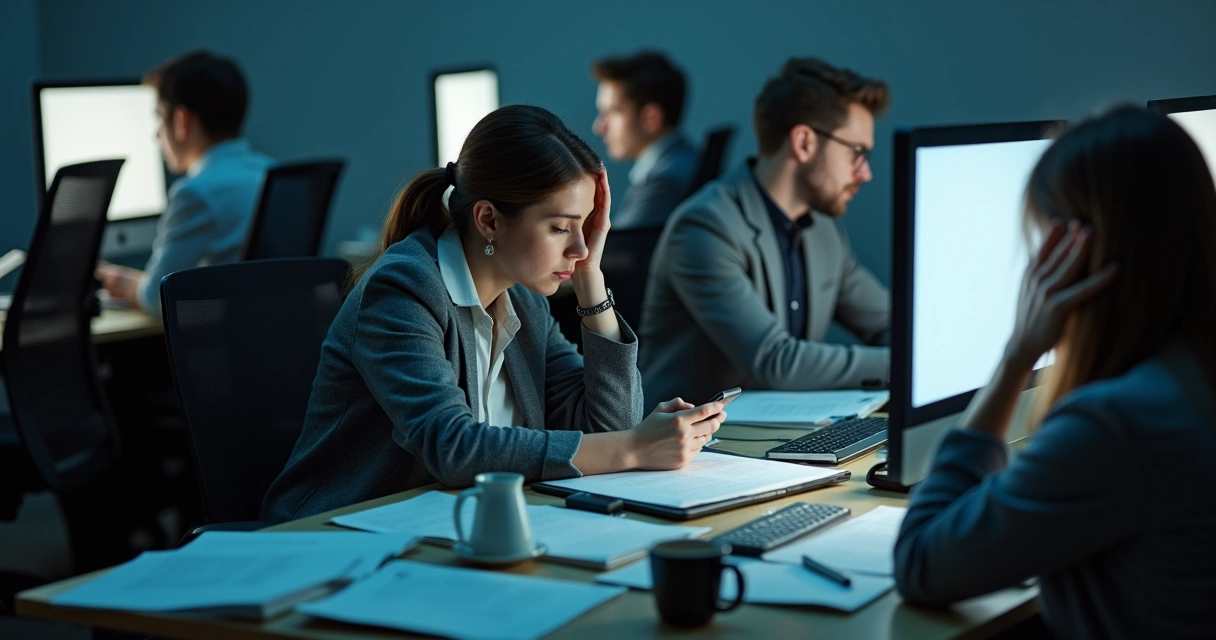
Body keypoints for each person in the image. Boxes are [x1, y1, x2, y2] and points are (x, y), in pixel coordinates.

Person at [263, 105, 725, 522]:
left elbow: (612, 425)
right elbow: (455, 448)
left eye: (586, 227)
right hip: (335, 537)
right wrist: (633, 448)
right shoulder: (402, 290)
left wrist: (591, 280)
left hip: (447, 529)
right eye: (560, 227)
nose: (580, 247)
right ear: (488, 220)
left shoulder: (523, 298)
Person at [894, 106, 1216, 639]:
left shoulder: (1116, 425)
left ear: (1075, 255)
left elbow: (922, 563)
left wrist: (1017, 355)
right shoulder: (1186, 379)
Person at [639, 57, 891, 407]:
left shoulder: (824, 231)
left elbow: (886, 322)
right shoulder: (704, 226)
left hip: (775, 440)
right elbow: (777, 362)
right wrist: (906, 364)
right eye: (857, 153)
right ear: (804, 143)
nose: (865, 173)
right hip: (687, 449)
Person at [96, 50, 273, 313]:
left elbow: (157, 299)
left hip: (222, 344)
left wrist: (116, 279)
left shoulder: (196, 193)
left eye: (158, 117)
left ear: (181, 121)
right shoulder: (269, 171)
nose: (156, 135)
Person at [591, 51, 698, 230]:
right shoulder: (683, 164)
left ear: (651, 118)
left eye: (612, 112)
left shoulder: (665, 184)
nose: (599, 127)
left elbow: (615, 254)